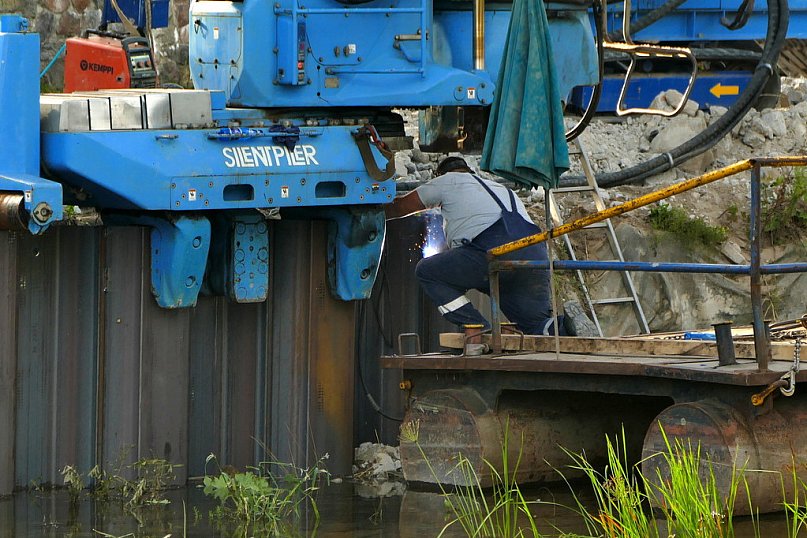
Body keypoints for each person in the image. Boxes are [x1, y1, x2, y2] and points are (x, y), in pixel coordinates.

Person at [385, 156, 597, 337]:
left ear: (440, 174)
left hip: (493, 251)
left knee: (429, 272)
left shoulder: (446, 181)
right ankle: (565, 326)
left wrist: (367, 211)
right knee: (535, 325)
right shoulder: (500, 188)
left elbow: (401, 207)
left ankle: (475, 327)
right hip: (533, 253)